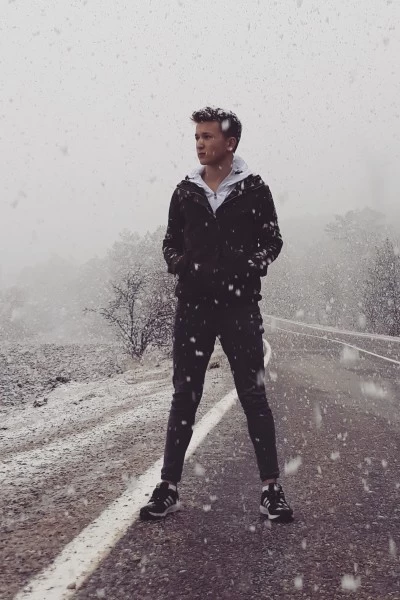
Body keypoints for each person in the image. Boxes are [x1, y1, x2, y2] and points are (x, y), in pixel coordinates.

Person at [140, 106, 293, 523]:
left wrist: (250, 265)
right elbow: (170, 242)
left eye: (207, 136)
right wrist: (181, 265)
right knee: (184, 396)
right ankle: (168, 487)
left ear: (230, 142)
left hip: (240, 307)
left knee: (253, 396)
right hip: (193, 307)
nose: (200, 144)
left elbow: (273, 241)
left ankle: (271, 489)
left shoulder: (254, 189)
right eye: (197, 137)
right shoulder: (185, 191)